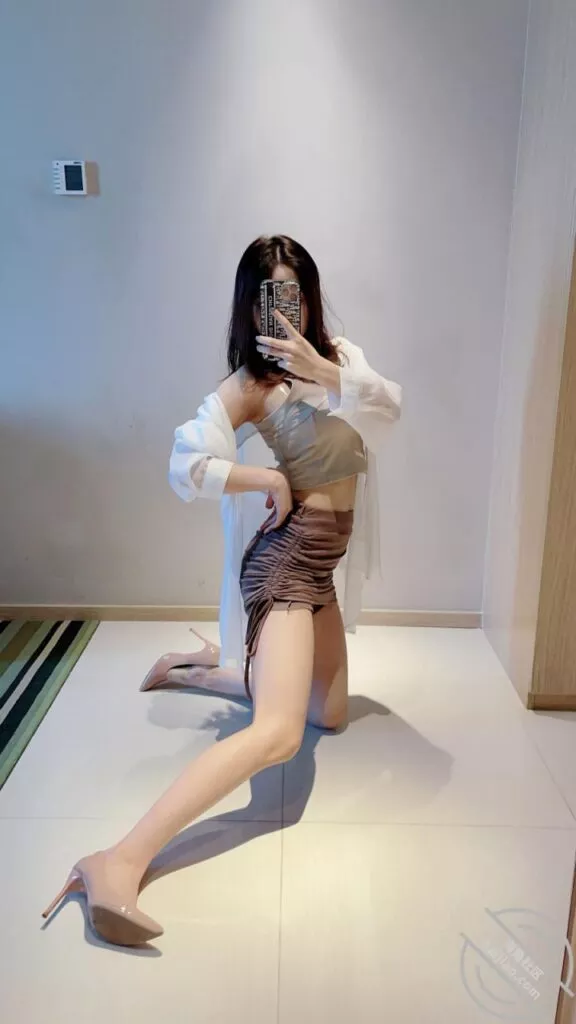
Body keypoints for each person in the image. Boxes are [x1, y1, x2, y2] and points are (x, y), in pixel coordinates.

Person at [42, 235, 402, 946]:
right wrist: (261, 476)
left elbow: (388, 412)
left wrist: (324, 370)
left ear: (311, 297)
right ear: (250, 305)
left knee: (328, 716)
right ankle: (117, 861)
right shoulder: (249, 387)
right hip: (286, 564)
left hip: (323, 568)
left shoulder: (343, 363)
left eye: (294, 292)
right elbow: (186, 463)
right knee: (279, 734)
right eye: (270, 296)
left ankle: (214, 671)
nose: (284, 310)